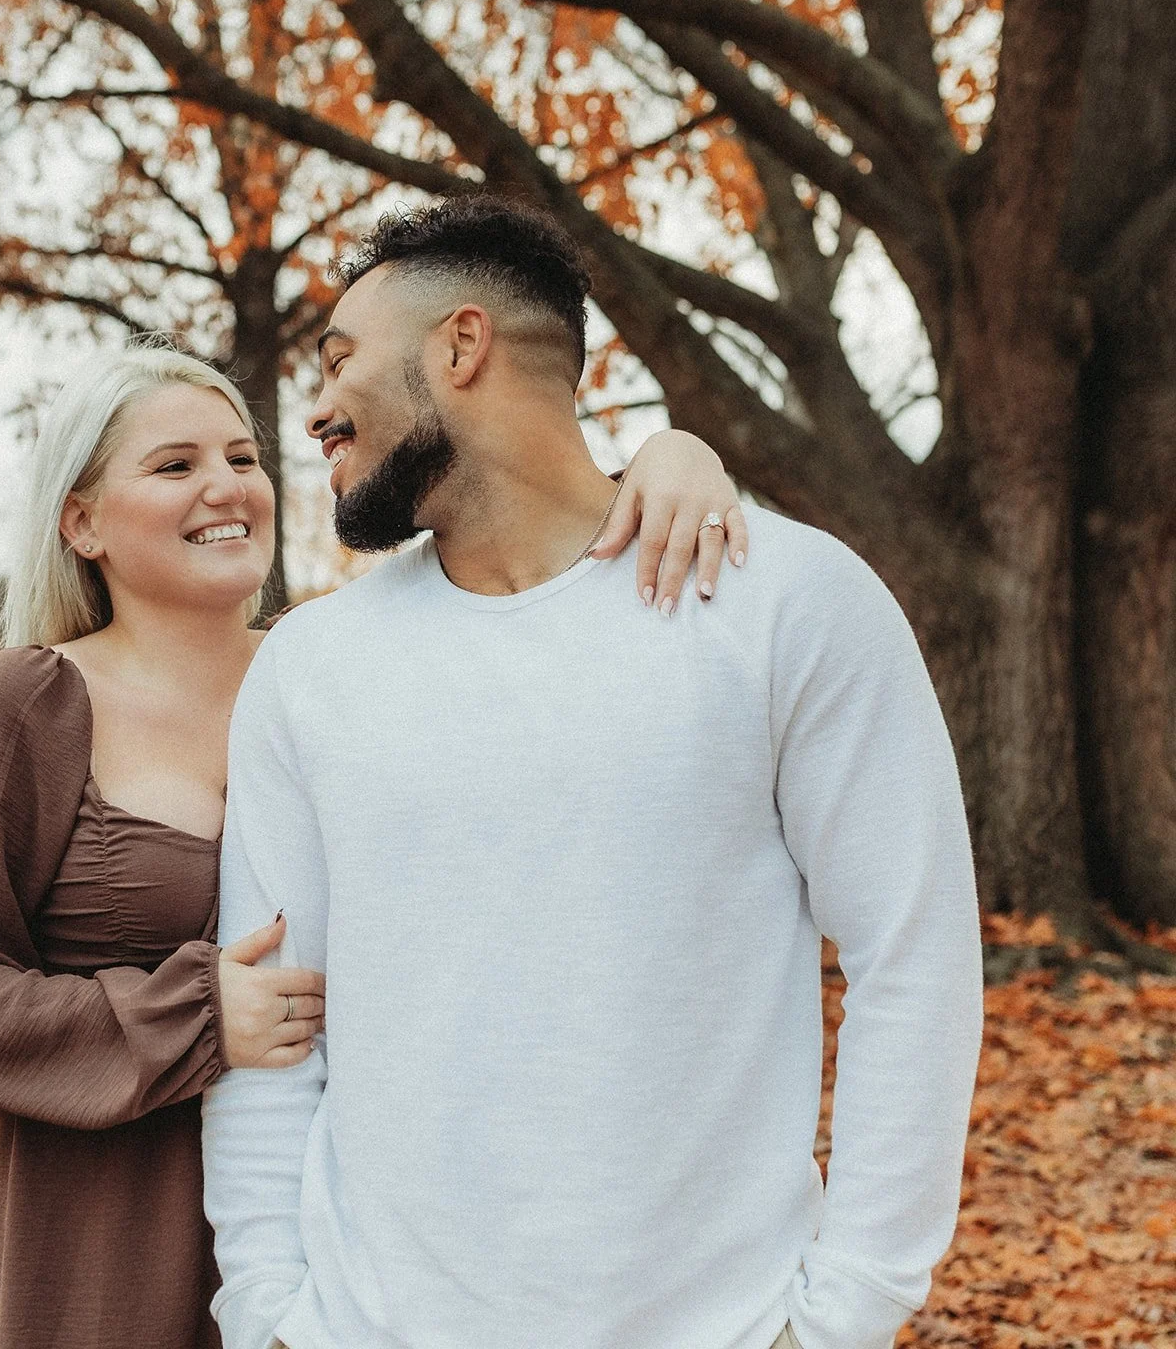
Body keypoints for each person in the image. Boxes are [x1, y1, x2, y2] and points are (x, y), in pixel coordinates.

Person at [203, 196, 986, 1349]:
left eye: (340, 359)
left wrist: (845, 1313)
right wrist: (271, 1312)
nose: (314, 408)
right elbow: (275, 1020)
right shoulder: (310, 670)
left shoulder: (786, 604)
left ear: (459, 346)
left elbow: (912, 956)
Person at [0, 335, 746, 1349]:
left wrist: (670, 457)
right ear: (82, 521)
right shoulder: (29, 704)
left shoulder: (342, 667)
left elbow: (524, 563)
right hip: (85, 1235)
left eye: (242, 459)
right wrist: (189, 1017)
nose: (225, 487)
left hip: (340, 1229)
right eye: (175, 465)